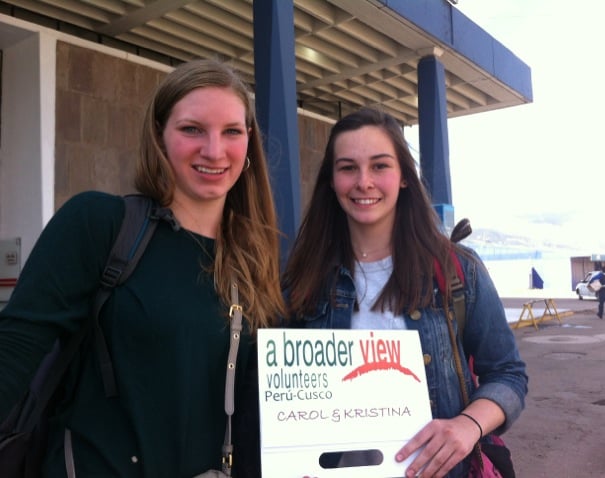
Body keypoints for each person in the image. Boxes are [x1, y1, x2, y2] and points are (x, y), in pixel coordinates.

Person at [0, 58, 284, 477]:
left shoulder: (255, 260)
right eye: (192, 129)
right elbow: (15, 352)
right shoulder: (100, 224)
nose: (213, 150)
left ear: (248, 146)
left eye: (231, 132)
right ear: (158, 136)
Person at [282, 107, 528, 478]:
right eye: (348, 167)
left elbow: (508, 374)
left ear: (404, 178)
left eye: (380, 166)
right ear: (331, 181)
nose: (364, 181)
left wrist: (467, 425)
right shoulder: (303, 279)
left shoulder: (457, 271)